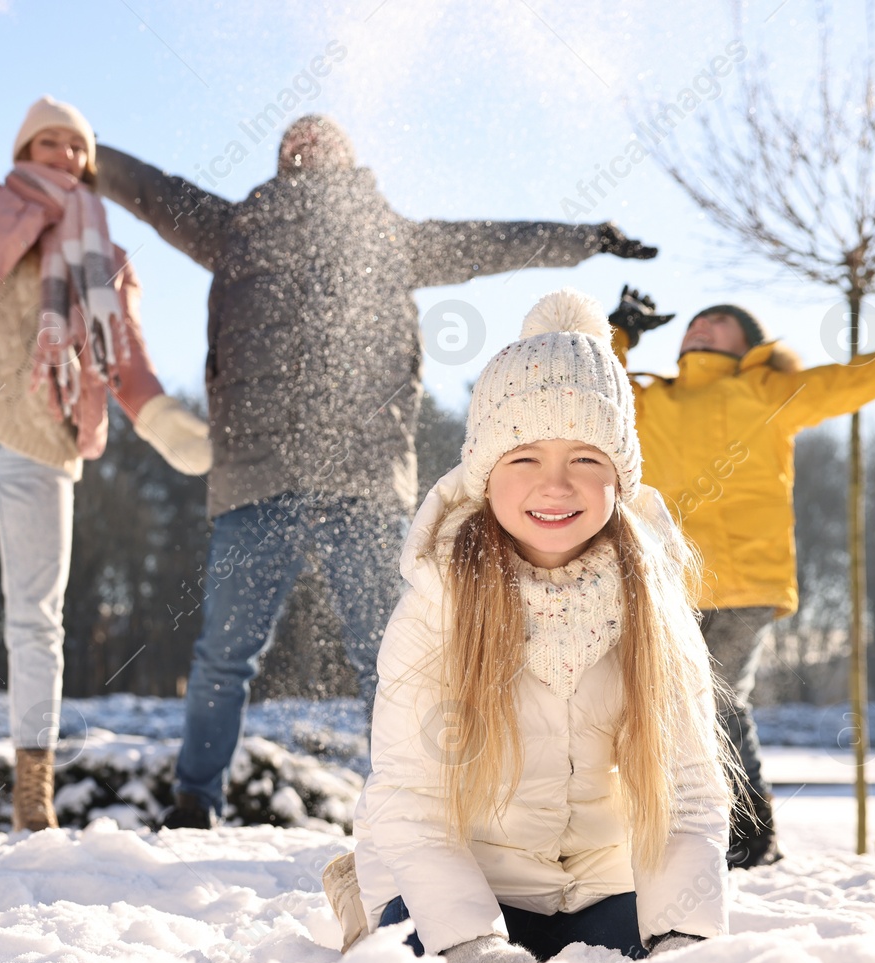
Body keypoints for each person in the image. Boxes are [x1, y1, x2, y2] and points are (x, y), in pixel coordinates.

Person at [96, 114, 660, 828]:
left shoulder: (388, 235)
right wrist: (90, 153)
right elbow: (155, 191)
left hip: (360, 480)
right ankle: (193, 800)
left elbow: (489, 243)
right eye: (295, 136)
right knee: (224, 652)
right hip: (256, 477)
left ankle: (411, 805)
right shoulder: (236, 227)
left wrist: (586, 240)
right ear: (279, 160)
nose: (308, 139)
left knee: (391, 654)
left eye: (323, 133)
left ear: (351, 157)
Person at [326, 289, 730, 963]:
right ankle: (365, 900)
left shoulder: (653, 603)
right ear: (485, 474)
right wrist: (475, 944)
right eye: (524, 458)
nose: (555, 484)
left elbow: (690, 790)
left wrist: (681, 939)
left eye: (585, 458)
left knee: (659, 959)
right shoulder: (438, 600)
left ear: (620, 476)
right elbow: (411, 796)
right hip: (461, 880)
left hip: (602, 888)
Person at [0, 0, 211, 833]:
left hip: (41, 444)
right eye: (49, 140)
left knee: (37, 619)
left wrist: (160, 416)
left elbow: (124, 351)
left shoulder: (106, 253)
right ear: (24, 149)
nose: (65, 153)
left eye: (77, 145)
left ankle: (34, 790)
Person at [606, 282, 875, 867]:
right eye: (696, 318)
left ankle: (750, 833)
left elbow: (856, 378)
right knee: (657, 704)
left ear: (751, 345)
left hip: (746, 579)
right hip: (663, 582)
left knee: (716, 699)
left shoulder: (767, 390)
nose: (702, 325)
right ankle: (680, 831)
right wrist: (618, 333)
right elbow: (592, 389)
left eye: (721, 319)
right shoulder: (648, 399)